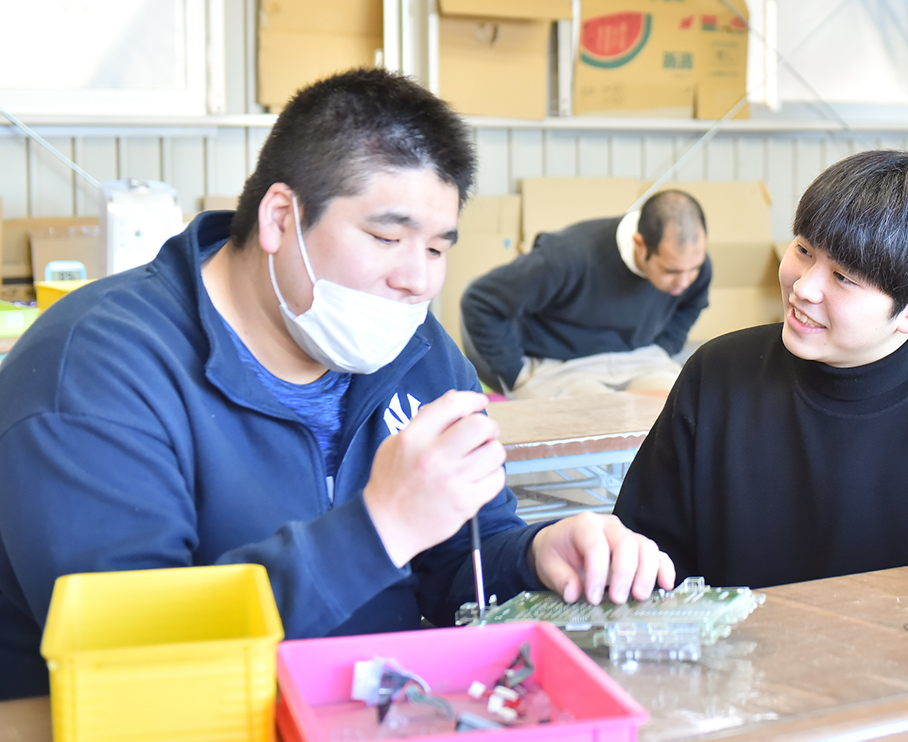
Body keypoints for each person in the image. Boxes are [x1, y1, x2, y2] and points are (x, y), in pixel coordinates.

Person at [0, 68, 673, 700]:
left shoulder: (419, 354)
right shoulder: (93, 376)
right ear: (280, 219)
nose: (418, 279)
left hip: (374, 709)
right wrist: (377, 527)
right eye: (386, 237)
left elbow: (458, 566)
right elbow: (134, 666)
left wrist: (535, 552)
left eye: (438, 247)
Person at [612, 150, 908, 589]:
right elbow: (645, 554)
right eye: (803, 250)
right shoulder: (717, 376)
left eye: (844, 278)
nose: (803, 287)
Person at [459, 190, 711, 399]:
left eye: (694, 268)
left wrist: (665, 347)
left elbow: (693, 302)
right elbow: (480, 301)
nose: (685, 281)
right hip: (561, 366)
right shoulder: (566, 257)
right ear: (640, 244)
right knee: (599, 424)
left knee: (689, 410)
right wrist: (514, 373)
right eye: (672, 271)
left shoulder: (691, 265)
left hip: (640, 358)